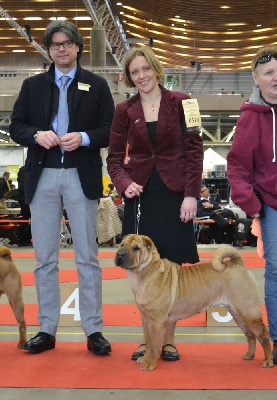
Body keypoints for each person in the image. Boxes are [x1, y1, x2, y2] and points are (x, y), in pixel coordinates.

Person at [9, 21, 115, 355]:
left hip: (80, 176)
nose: (61, 49)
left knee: (88, 257)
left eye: (67, 43)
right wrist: (36, 135)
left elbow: (110, 130)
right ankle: (47, 329)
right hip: (42, 177)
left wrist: (84, 138)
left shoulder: (97, 85)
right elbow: (16, 126)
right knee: (44, 260)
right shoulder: (32, 86)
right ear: (49, 50)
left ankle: (93, 329)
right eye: (55, 45)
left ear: (78, 47)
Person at [107, 46, 203, 361]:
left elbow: (195, 151)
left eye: (145, 69)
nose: (142, 76)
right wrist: (123, 184)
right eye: (135, 72)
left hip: (176, 195)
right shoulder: (124, 110)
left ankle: (168, 341)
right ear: (129, 77)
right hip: (141, 197)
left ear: (156, 69)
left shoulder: (186, 102)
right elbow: (113, 159)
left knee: (172, 265)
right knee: (142, 273)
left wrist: (191, 193)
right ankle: (148, 340)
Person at [227, 45, 277, 364]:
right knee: (276, 270)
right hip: (272, 205)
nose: (276, 78)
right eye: (269, 72)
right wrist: (252, 202)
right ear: (256, 77)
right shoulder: (249, 118)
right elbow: (237, 167)